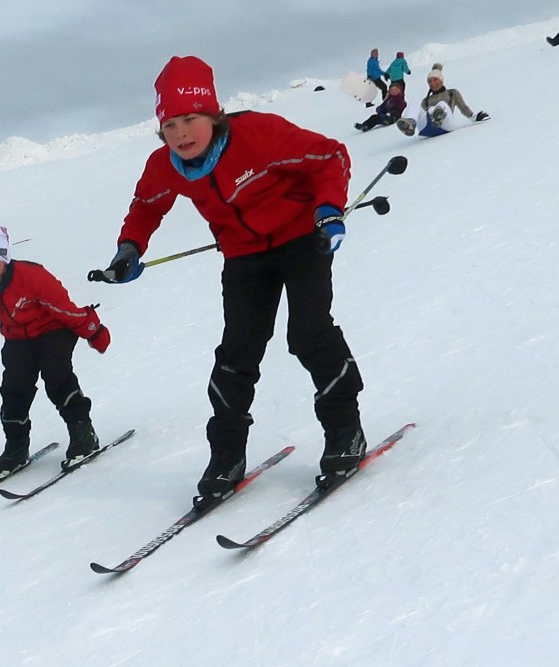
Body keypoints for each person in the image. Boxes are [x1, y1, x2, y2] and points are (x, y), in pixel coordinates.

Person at [94, 55, 363, 500]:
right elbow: (146, 206)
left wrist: (329, 211)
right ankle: (226, 456)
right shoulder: (165, 165)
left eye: (190, 119)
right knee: (237, 352)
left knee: (309, 334)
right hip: (244, 257)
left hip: (302, 241)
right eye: (169, 124)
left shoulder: (259, 134)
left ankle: (344, 431)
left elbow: (330, 156)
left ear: (213, 115)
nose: (180, 133)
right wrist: (130, 249)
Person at [0, 222, 110, 474]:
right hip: (18, 338)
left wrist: (93, 330)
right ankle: (16, 445)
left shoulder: (33, 277)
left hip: (54, 330)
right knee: (14, 388)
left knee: (56, 376)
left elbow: (65, 310)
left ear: (3, 255)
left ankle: (83, 432)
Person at [399, 64, 489, 136]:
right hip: (427, 128)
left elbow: (463, 107)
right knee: (414, 105)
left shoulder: (452, 93)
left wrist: (474, 117)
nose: (432, 83)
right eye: (429, 81)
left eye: (435, 80)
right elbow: (421, 116)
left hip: (446, 125)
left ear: (441, 80)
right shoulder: (425, 100)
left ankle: (438, 119)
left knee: (442, 104)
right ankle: (410, 124)